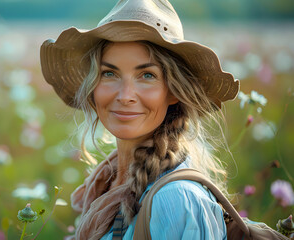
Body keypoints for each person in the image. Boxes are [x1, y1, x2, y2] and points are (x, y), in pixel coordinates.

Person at [40, 0, 239, 239]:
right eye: (109, 73)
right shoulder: (106, 183)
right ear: (93, 86)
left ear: (174, 91)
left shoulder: (175, 200)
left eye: (147, 75)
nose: (125, 96)